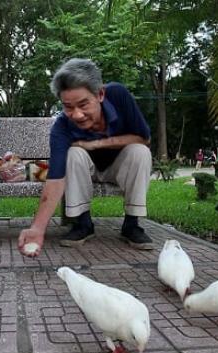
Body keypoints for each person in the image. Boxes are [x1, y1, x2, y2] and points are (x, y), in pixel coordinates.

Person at [18, 58, 153, 257]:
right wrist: (37, 228)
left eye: (83, 104)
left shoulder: (118, 94)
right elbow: (55, 178)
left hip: (118, 167)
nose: (77, 115)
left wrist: (95, 143)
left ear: (100, 94)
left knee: (140, 151)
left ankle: (132, 224)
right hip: (84, 171)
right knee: (73, 154)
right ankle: (82, 223)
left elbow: (144, 138)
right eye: (68, 107)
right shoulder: (61, 127)